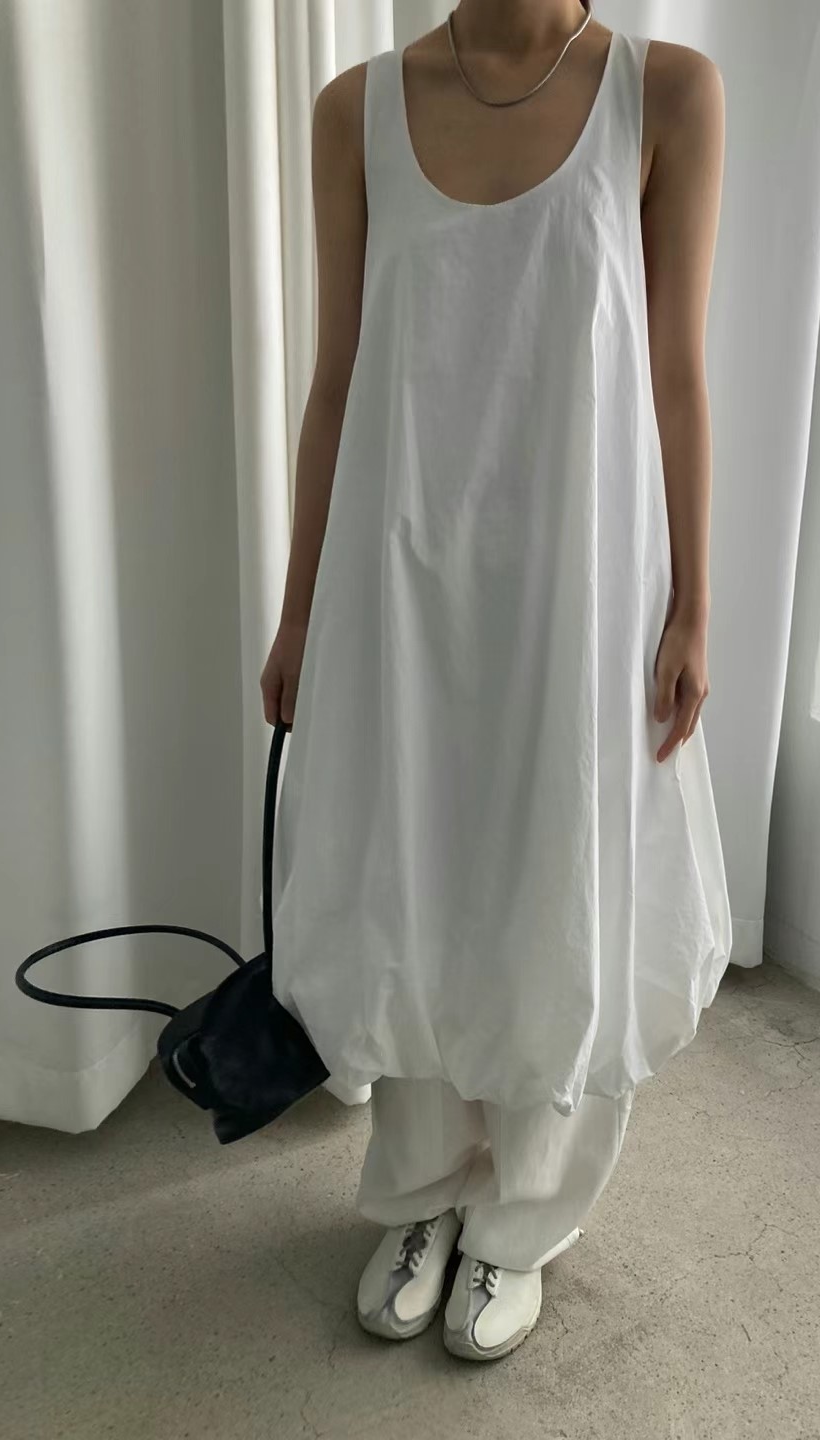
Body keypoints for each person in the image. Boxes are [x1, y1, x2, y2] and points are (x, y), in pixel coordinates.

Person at [261, 0, 731, 1362]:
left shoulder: (666, 95)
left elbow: (678, 374)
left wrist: (696, 603)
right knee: (410, 877)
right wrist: (299, 611)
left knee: (552, 884)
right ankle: (422, 1192)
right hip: (399, 578)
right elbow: (337, 381)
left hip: (579, 586)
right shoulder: (356, 110)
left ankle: (520, 1221)